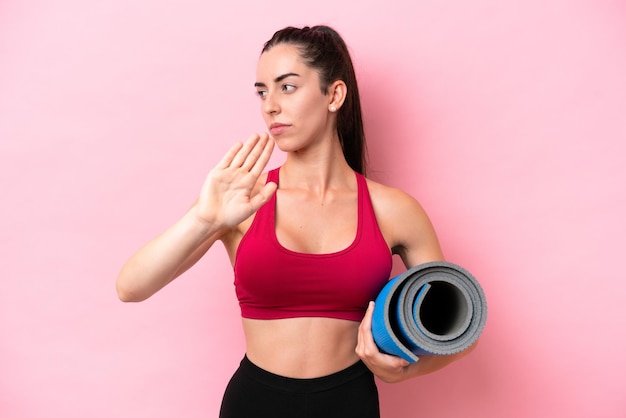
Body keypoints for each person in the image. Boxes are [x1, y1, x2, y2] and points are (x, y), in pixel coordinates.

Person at [116, 25, 477, 418]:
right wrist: (205, 219)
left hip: (349, 404)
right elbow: (131, 287)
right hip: (254, 403)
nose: (269, 105)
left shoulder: (394, 210)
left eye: (287, 87)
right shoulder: (240, 200)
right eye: (262, 91)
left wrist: (405, 373)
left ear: (334, 95)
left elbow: (460, 330)